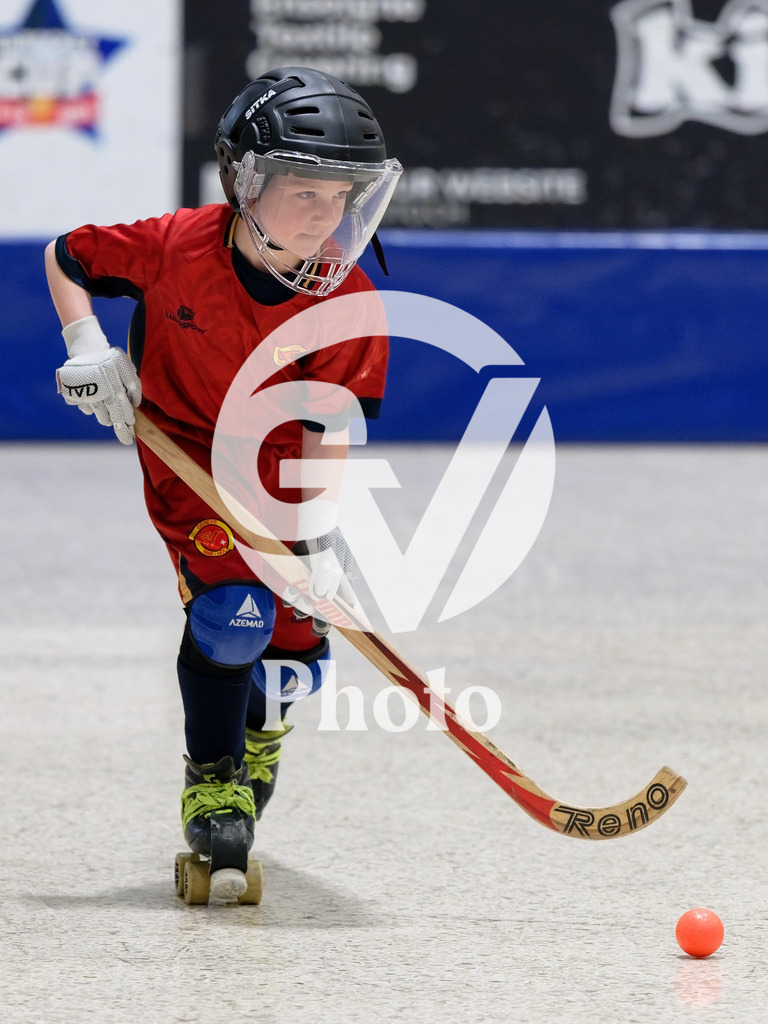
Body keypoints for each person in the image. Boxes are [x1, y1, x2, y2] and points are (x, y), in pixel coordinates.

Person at [44, 67, 402, 902]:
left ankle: (260, 732)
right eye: (304, 193)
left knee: (293, 659)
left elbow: (322, 433)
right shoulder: (173, 247)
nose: (327, 218)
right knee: (231, 616)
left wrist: (314, 539)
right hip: (188, 465)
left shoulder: (348, 301)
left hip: (279, 484)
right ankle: (213, 774)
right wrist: (87, 342)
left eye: (343, 196)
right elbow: (68, 256)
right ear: (244, 180)